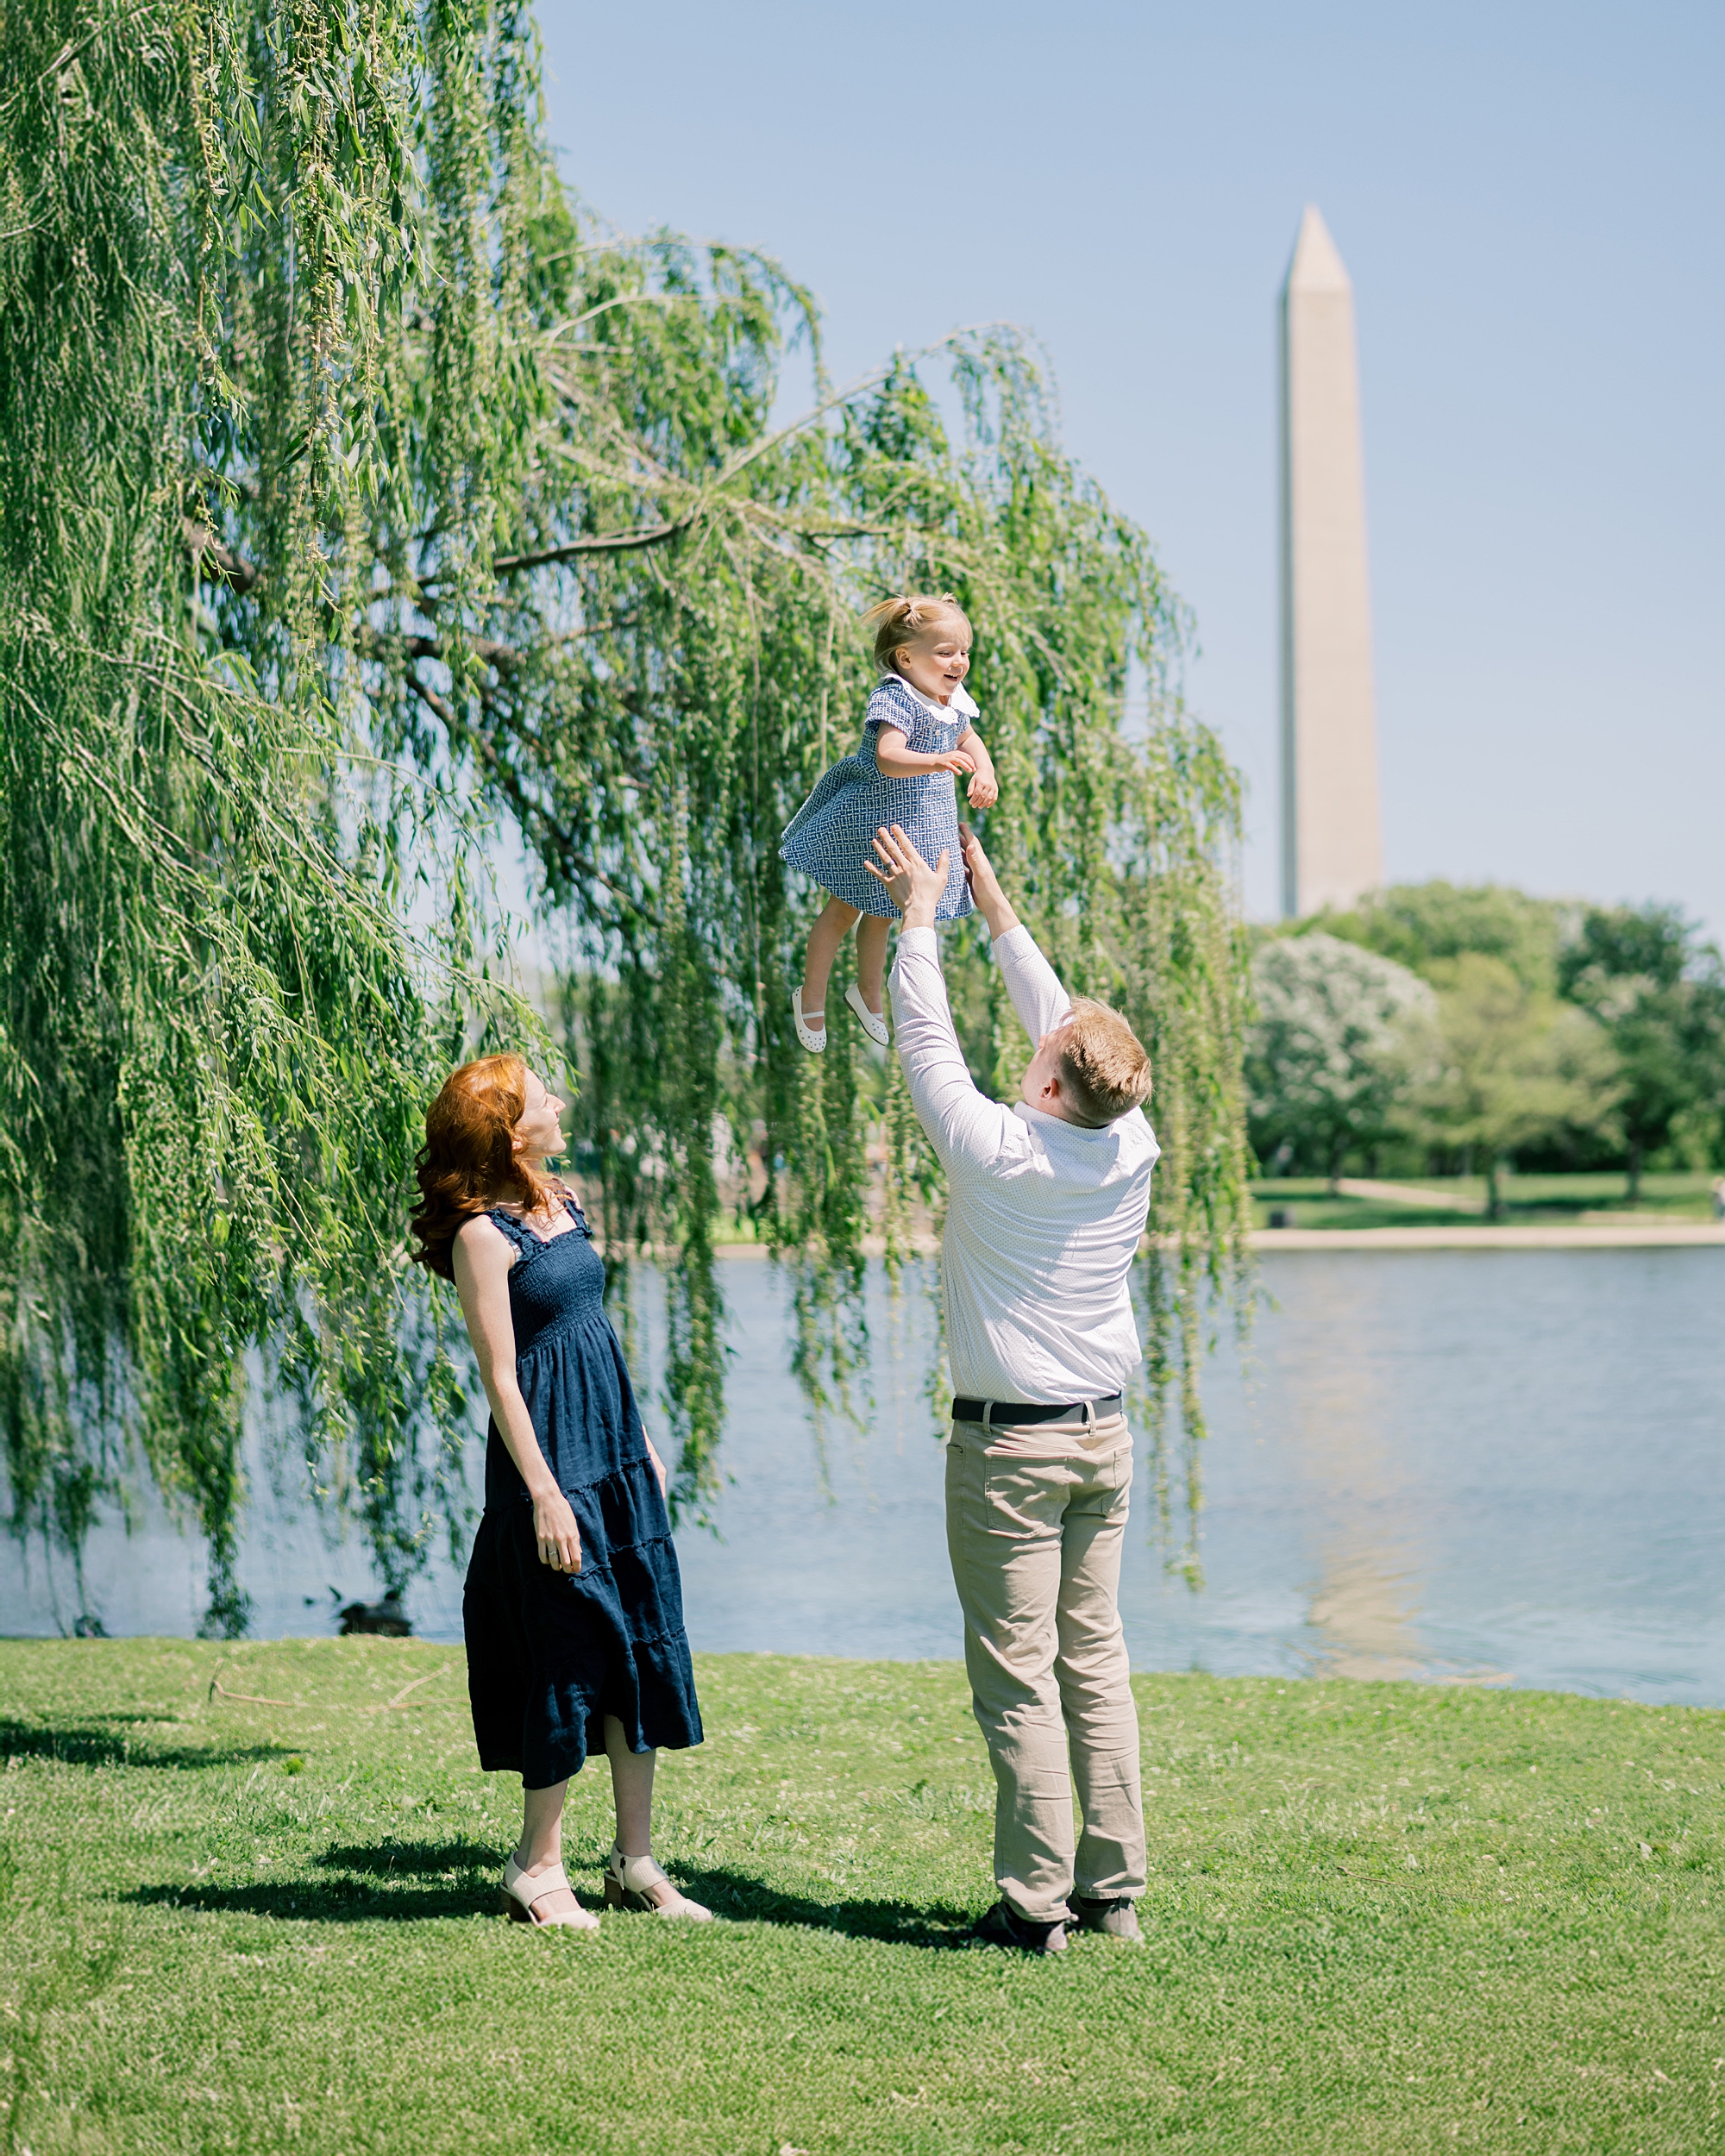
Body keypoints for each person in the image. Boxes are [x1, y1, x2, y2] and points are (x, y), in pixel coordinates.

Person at [865, 820, 1157, 1957]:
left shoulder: (995, 1149)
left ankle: (1033, 1907)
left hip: (1010, 1455)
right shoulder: (1128, 1145)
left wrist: (920, 912)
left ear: (1045, 1075)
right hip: (1102, 1443)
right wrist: (986, 895)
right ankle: (1113, 1892)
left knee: (1018, 1677)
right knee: (1096, 1658)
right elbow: (1067, 1028)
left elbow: (924, 1037)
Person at [410, 1056, 709, 1931]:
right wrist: (543, 1493)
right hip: (547, 1465)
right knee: (570, 1650)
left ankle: (633, 1861)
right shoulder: (479, 1237)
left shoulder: (561, 1204)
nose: (562, 1102)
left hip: (612, 1451)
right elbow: (501, 1377)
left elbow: (594, 1332)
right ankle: (535, 1867)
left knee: (639, 1647)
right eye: (546, 1097)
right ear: (509, 1131)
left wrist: (642, 1440)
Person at [781, 593, 998, 1054]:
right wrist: (936, 759)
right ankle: (812, 995)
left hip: (915, 825)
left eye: (964, 652)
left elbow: (969, 736)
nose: (959, 662)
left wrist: (986, 770)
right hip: (873, 819)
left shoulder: (951, 699)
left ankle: (868, 993)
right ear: (906, 657)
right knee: (843, 911)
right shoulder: (895, 695)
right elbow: (888, 756)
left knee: (884, 912)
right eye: (946, 653)